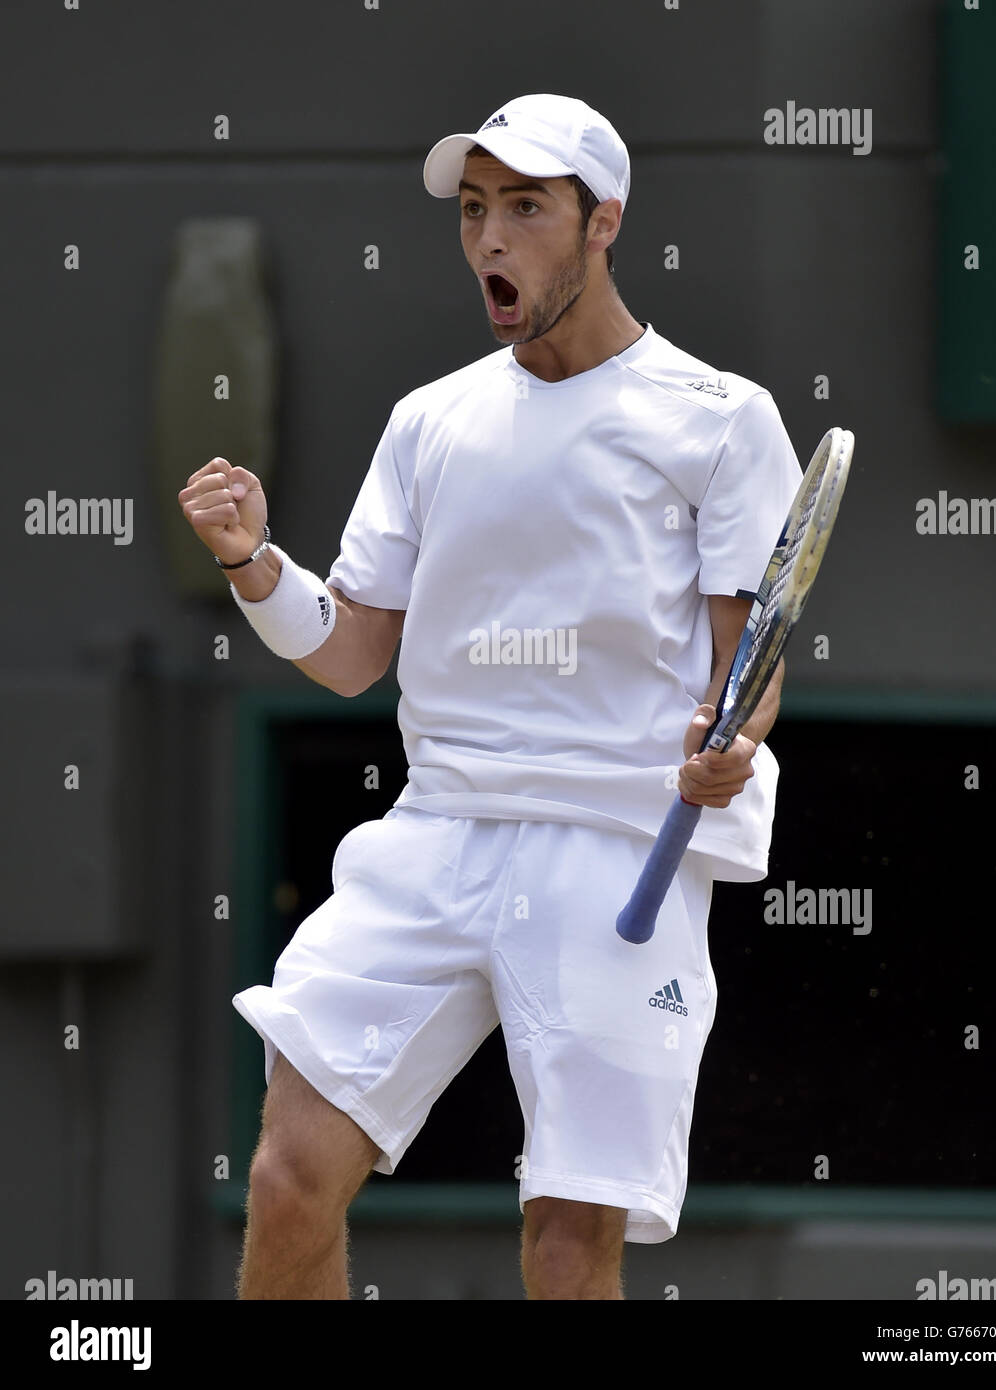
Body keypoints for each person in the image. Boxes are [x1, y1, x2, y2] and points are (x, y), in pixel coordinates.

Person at [177, 93, 802, 1300]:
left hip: (618, 848)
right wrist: (254, 561)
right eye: (474, 212)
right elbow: (352, 651)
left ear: (602, 221)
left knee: (568, 1248)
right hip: (436, 833)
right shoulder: (429, 423)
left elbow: (750, 670)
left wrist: (730, 746)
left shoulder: (722, 422)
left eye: (525, 208)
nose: (491, 241)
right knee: (287, 1174)